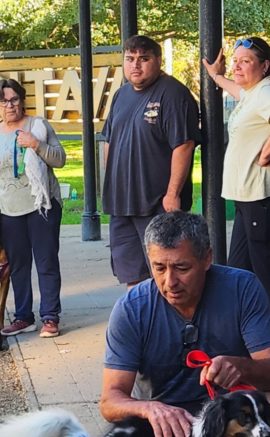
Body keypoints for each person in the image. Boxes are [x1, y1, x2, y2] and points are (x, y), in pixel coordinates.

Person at [100, 211, 270, 437]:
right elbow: (110, 400)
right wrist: (150, 409)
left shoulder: (242, 288)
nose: (169, 281)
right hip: (166, 428)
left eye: (181, 268)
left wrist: (242, 367)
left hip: (223, 416)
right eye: (159, 267)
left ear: (207, 259)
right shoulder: (132, 308)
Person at [203, 37, 270, 366]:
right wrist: (216, 77)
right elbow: (239, 92)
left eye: (245, 61)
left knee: (267, 276)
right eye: (236, 60)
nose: (237, 65)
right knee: (238, 272)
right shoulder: (256, 92)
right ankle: (244, 343)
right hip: (249, 198)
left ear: (264, 65)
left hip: (265, 198)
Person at [101, 35, 202, 290]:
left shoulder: (173, 94)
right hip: (122, 204)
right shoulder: (121, 95)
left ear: (158, 61)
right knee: (131, 277)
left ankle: (170, 328)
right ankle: (142, 327)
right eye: (130, 59)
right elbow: (109, 140)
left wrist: (173, 193)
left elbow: (184, 145)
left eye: (144, 59)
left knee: (167, 276)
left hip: (158, 203)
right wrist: (111, 181)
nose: (136, 65)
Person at [0, 79, 66, 338]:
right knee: (18, 266)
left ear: (22, 100)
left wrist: (36, 144)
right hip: (9, 211)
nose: (10, 105)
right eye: (3, 101)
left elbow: (60, 159)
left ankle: (50, 317)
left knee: (46, 262)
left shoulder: (38, 126)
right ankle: (24, 317)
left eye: (14, 99)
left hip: (41, 205)